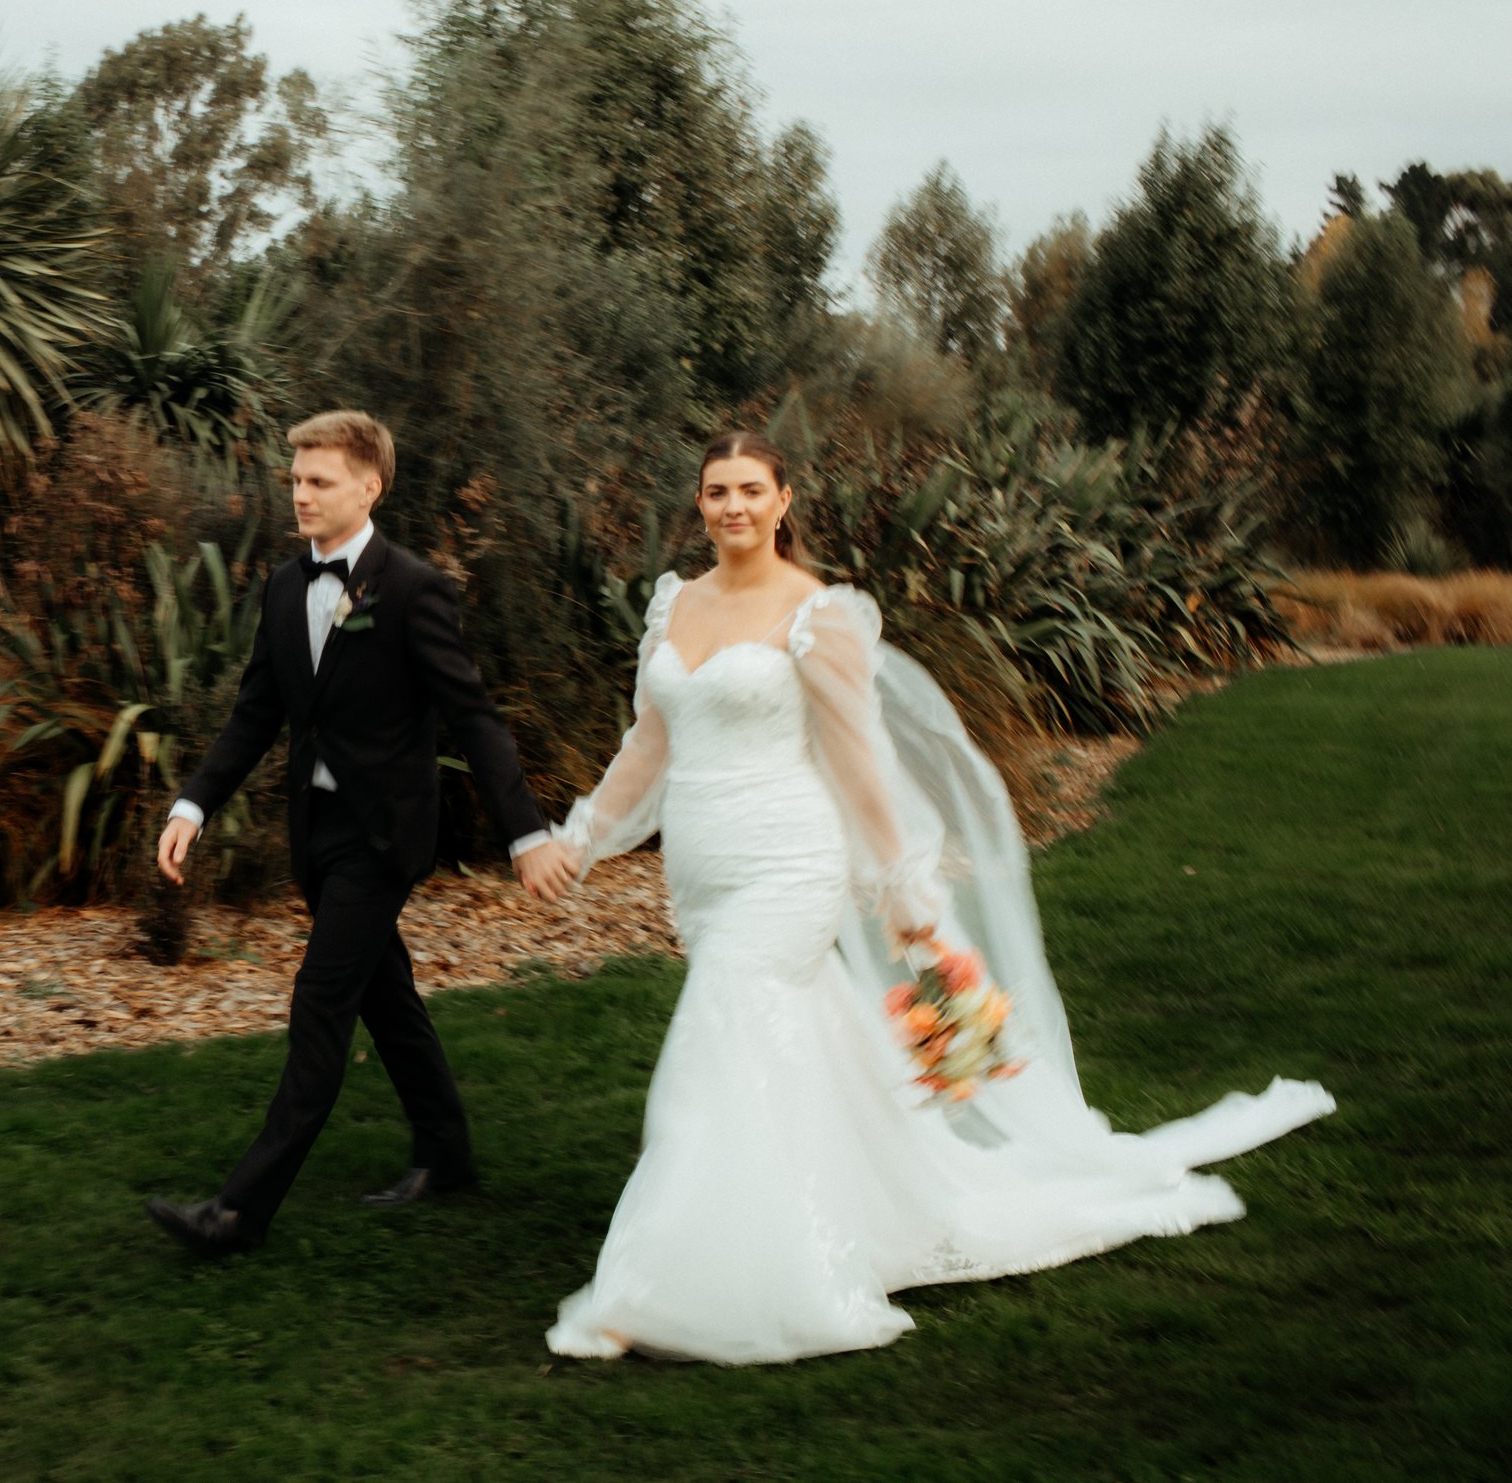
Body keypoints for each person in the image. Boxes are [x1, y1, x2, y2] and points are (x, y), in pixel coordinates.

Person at [539, 430, 1335, 1365]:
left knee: (712, 1051)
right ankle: (858, 1200)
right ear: (700, 501)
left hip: (789, 864)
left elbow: (859, 765)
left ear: (785, 499)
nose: (733, 507)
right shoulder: (676, 603)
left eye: (752, 489)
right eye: (717, 490)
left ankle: (662, 1284)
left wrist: (902, 895)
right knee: (782, 1044)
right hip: (703, 874)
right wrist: (579, 836)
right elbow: (649, 743)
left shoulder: (816, 614)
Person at [144, 411, 579, 1255]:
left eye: (320, 481)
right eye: (296, 480)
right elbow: (255, 715)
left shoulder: (413, 588)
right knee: (387, 996)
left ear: (369, 485)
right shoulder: (281, 587)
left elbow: (474, 718)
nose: (300, 495)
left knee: (321, 1002)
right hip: (319, 831)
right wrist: (191, 806)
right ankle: (446, 1152)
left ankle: (239, 1210)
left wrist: (524, 832)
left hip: (385, 837)